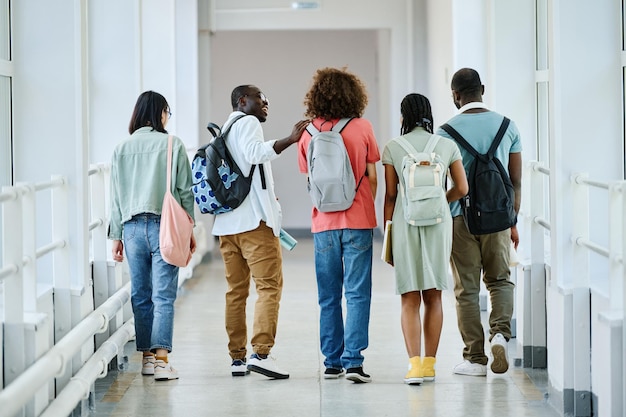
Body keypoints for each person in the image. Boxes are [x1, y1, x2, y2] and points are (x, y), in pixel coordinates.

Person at [212, 84, 308, 380]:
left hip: (227, 226)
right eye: (260, 99)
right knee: (268, 288)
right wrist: (290, 140)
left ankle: (238, 358)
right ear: (243, 101)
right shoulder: (248, 122)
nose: (266, 103)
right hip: (254, 224)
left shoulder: (226, 129)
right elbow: (255, 154)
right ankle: (262, 353)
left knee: (236, 292)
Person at [436, 68, 522, 376]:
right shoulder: (508, 126)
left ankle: (475, 358)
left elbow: (442, 180)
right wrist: (512, 221)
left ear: (455, 95)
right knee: (500, 280)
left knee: (466, 290)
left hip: (462, 219)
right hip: (499, 219)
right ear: (482, 89)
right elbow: (515, 181)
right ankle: (500, 333)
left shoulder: (445, 132)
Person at [297, 67, 380, 383]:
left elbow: (309, 178)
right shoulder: (362, 127)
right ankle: (354, 362)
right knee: (358, 292)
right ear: (354, 95)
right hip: (358, 220)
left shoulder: (307, 133)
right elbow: (373, 176)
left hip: (323, 224)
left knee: (328, 294)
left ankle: (332, 361)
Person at [108, 90, 196, 381]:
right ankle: (161, 361)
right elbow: (184, 192)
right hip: (165, 227)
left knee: (141, 294)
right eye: (167, 112)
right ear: (160, 113)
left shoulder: (122, 148)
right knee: (163, 295)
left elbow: (116, 197)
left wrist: (116, 235)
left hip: (132, 228)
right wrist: (190, 228)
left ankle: (146, 358)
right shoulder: (173, 144)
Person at [382, 93, 468, 384]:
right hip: (439, 222)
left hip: (406, 223)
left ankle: (414, 367)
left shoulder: (394, 147)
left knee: (409, 297)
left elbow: (391, 195)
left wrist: (388, 233)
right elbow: (463, 188)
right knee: (434, 295)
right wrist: (442, 200)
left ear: (403, 117)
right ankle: (431, 365)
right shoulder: (446, 145)